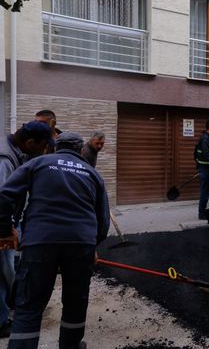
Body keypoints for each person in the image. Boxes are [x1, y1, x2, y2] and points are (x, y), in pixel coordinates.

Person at [0, 132, 110, 348]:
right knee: (75, 302)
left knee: (30, 304)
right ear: (80, 149)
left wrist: (5, 229)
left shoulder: (38, 163)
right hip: (80, 244)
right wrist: (93, 245)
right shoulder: (92, 173)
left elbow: (4, 195)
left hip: (40, 242)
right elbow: (103, 220)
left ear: (55, 147)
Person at [0, 121, 53, 338]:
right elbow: (1, 198)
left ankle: (7, 308)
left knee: (8, 268)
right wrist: (5, 229)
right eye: (42, 147)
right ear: (30, 142)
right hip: (2, 222)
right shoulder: (4, 160)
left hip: (11, 220)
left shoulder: (15, 149)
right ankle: (1, 322)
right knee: (3, 273)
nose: (43, 151)